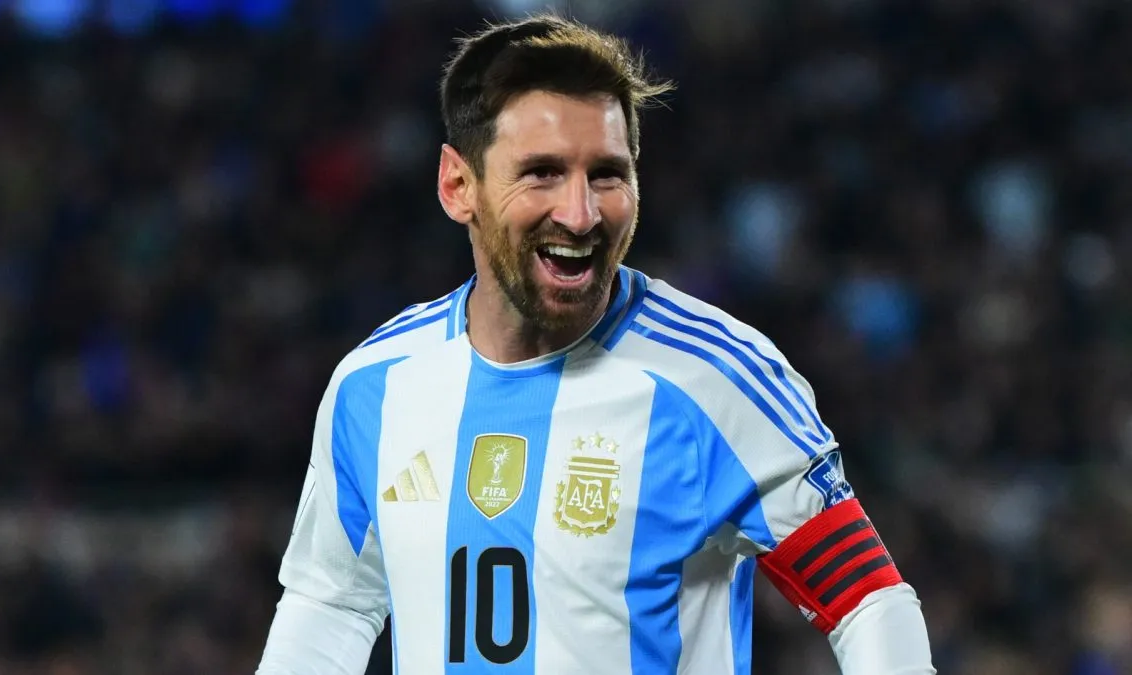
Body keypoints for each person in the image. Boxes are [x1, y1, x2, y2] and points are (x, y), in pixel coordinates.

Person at [256, 13, 935, 675]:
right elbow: (333, 602)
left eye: (607, 174)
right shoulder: (377, 383)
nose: (580, 213)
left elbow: (866, 601)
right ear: (458, 186)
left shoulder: (715, 379)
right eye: (543, 172)